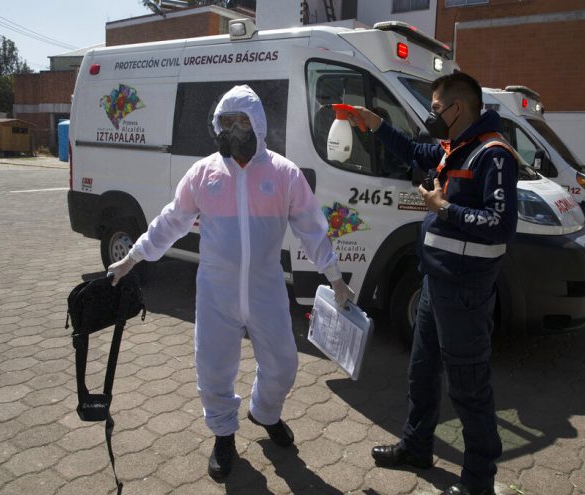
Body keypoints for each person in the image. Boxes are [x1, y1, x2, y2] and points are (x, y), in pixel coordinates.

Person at [108, 84, 355, 481]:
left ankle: (263, 413)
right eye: (227, 122)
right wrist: (132, 257)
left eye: (243, 122)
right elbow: (171, 220)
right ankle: (224, 435)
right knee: (213, 367)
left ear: (258, 124)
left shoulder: (283, 173)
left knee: (284, 365)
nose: (235, 130)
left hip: (266, 287)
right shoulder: (204, 173)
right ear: (216, 126)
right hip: (215, 289)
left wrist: (336, 278)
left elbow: (312, 230)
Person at [348, 72, 518, 495]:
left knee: (468, 388)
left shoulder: (492, 155)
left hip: (465, 291)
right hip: (435, 284)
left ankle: (478, 482)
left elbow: (499, 227)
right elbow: (415, 150)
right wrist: (376, 124)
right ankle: (416, 446)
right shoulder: (454, 147)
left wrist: (442, 208)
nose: (432, 116)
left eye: (437, 107)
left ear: (457, 108)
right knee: (421, 373)